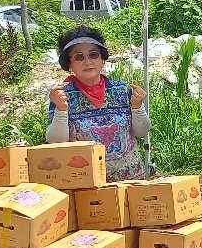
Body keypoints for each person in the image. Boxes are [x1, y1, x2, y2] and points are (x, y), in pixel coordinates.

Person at [47, 26, 149, 181]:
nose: (88, 62)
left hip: (131, 181)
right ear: (69, 64)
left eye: (93, 55)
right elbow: (55, 141)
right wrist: (61, 110)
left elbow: (142, 132)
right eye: (79, 57)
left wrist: (137, 107)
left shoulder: (121, 90)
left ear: (102, 59)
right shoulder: (62, 97)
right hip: (87, 183)